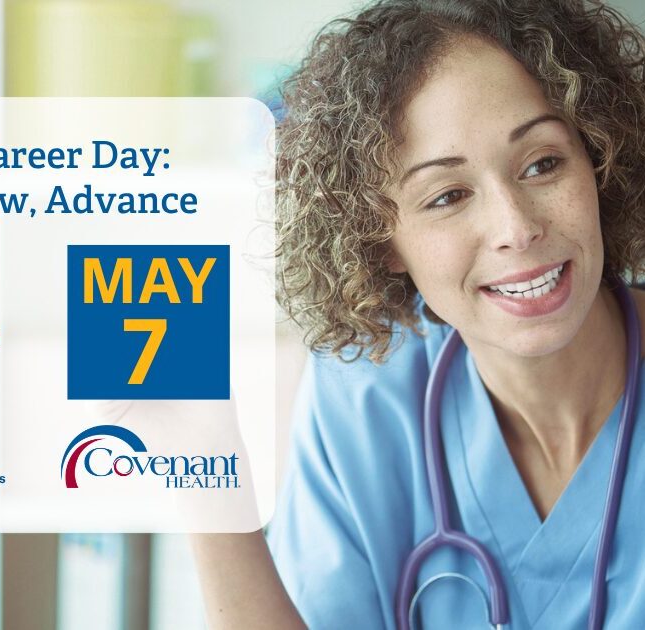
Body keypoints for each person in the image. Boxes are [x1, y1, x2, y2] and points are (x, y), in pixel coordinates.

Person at [190, 0, 645, 628]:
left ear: (599, 157)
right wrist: (202, 456)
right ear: (382, 242)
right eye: (448, 196)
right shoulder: (365, 392)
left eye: (543, 163)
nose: (516, 227)